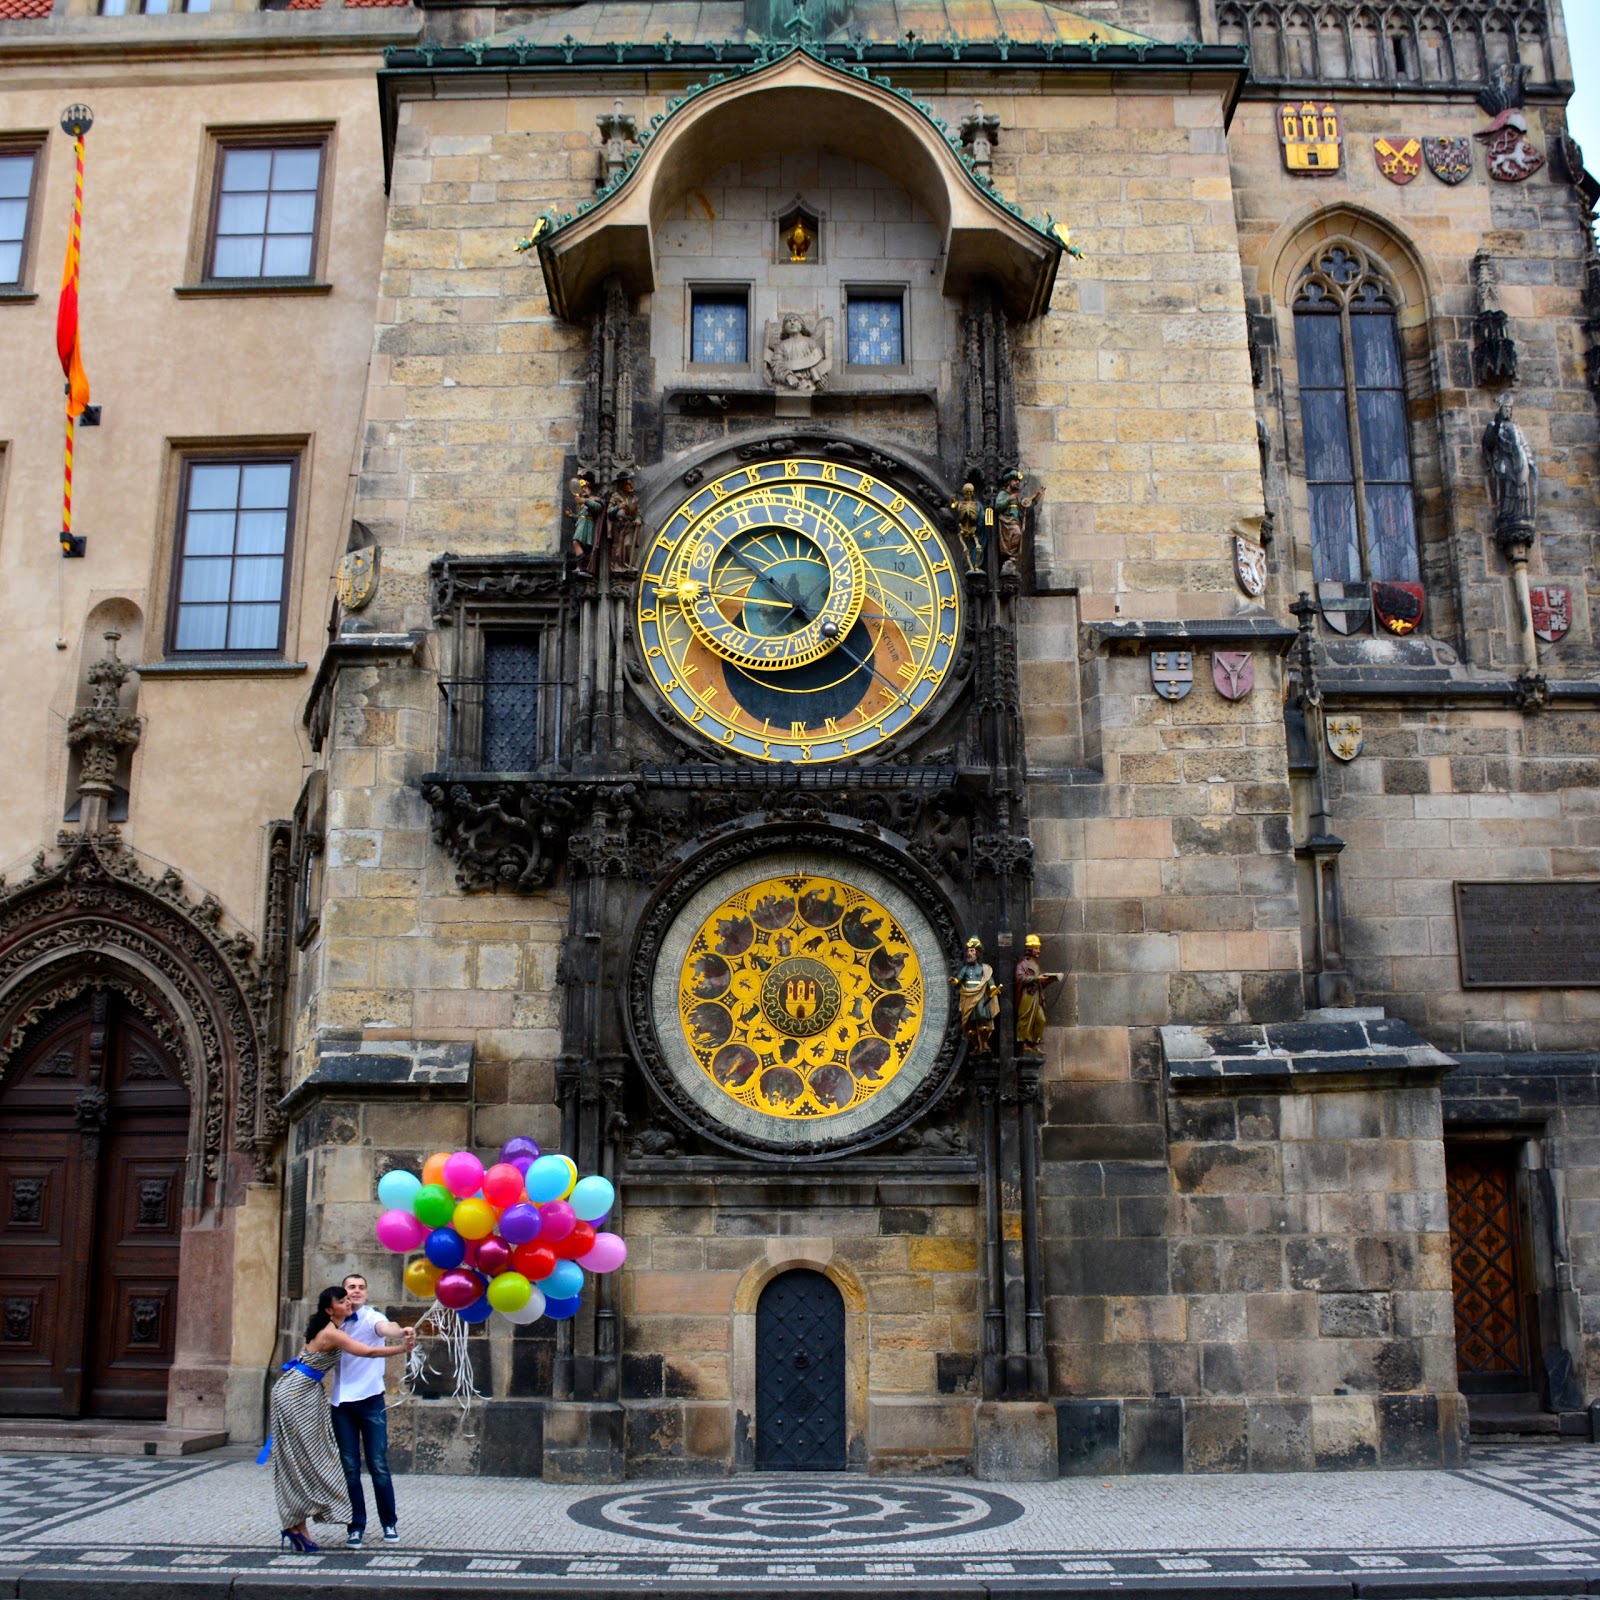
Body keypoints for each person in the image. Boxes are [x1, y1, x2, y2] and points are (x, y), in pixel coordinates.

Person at [272, 1285, 413, 1553]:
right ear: (329, 1309)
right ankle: (294, 1524)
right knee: (298, 1459)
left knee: (302, 1458)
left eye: (352, 1297)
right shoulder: (332, 1332)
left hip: (303, 1390)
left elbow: (384, 1327)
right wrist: (402, 1349)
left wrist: (398, 1332)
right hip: (296, 1393)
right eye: (343, 1299)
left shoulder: (334, 1327)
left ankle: (297, 1525)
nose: (349, 1302)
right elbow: (367, 1352)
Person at [330, 1273, 414, 1548]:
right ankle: (356, 1526)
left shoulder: (370, 1317)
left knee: (378, 1464)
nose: (356, 1291)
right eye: (351, 1287)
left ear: (366, 1294)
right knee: (350, 1468)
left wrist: (401, 1332)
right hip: (341, 1403)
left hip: (370, 1401)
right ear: (343, 1294)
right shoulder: (334, 1323)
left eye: (361, 1288)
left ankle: (389, 1522)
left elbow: (385, 1327)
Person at [1013, 933, 1063, 1054]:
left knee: (1041, 1019)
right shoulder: (1022, 964)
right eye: (1036, 948)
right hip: (1028, 995)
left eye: (1038, 948)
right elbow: (1020, 978)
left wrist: (1047, 981)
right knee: (1025, 1018)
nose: (1038, 950)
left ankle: (1034, 1043)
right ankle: (1024, 1042)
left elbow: (1038, 980)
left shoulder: (1035, 965)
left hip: (1037, 995)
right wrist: (1036, 979)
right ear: (1030, 949)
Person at [949, 936, 1000, 1054]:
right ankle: (976, 1045)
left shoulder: (983, 968)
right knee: (969, 1024)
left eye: (972, 951)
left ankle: (985, 1044)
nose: (969, 953)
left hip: (981, 996)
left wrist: (992, 988)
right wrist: (955, 981)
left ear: (977, 953)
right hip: (968, 996)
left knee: (982, 1021)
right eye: (968, 951)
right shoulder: (965, 969)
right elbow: (959, 979)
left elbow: (988, 979)